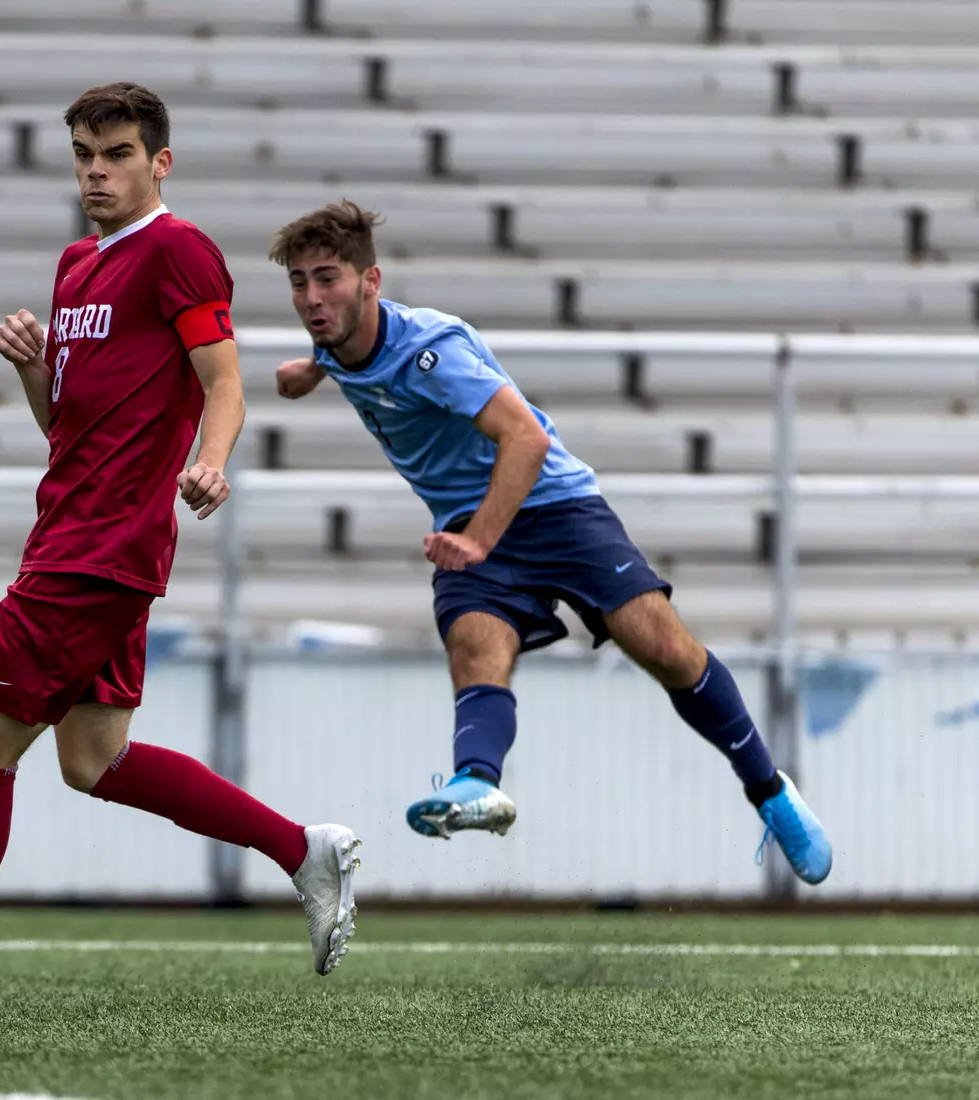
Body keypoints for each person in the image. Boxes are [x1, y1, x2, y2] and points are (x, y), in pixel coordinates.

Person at [0, 86, 361, 1012]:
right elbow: (63, 423)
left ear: (160, 163)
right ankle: (302, 849)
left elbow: (224, 383)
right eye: (83, 155)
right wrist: (33, 366)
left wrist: (211, 462)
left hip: (97, 547)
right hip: (74, 533)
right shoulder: (75, 265)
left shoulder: (178, 251)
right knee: (93, 760)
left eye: (117, 153)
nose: (96, 172)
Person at [268, 201, 831, 884]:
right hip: (469, 521)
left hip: (553, 506)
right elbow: (349, 350)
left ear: (371, 281)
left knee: (665, 650)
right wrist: (313, 369)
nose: (312, 297)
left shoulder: (433, 353)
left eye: (327, 279)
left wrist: (479, 542)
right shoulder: (338, 337)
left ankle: (769, 789)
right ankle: (477, 784)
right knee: (474, 644)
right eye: (299, 282)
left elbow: (526, 439)